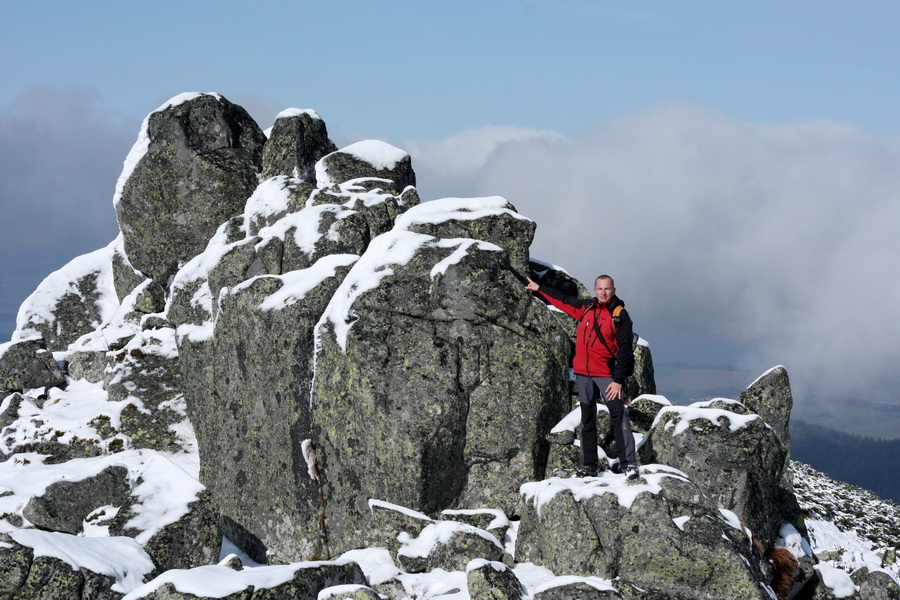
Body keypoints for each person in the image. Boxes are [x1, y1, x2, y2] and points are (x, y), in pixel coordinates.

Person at [525, 274, 639, 479]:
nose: (603, 292)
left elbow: (625, 351)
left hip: (607, 375)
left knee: (618, 416)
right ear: (595, 290)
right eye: (600, 289)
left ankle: (629, 464)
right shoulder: (586, 308)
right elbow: (563, 301)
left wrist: (618, 381)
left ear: (613, 290)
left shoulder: (619, 315)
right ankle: (589, 466)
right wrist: (539, 288)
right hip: (583, 374)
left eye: (607, 288)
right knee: (587, 420)